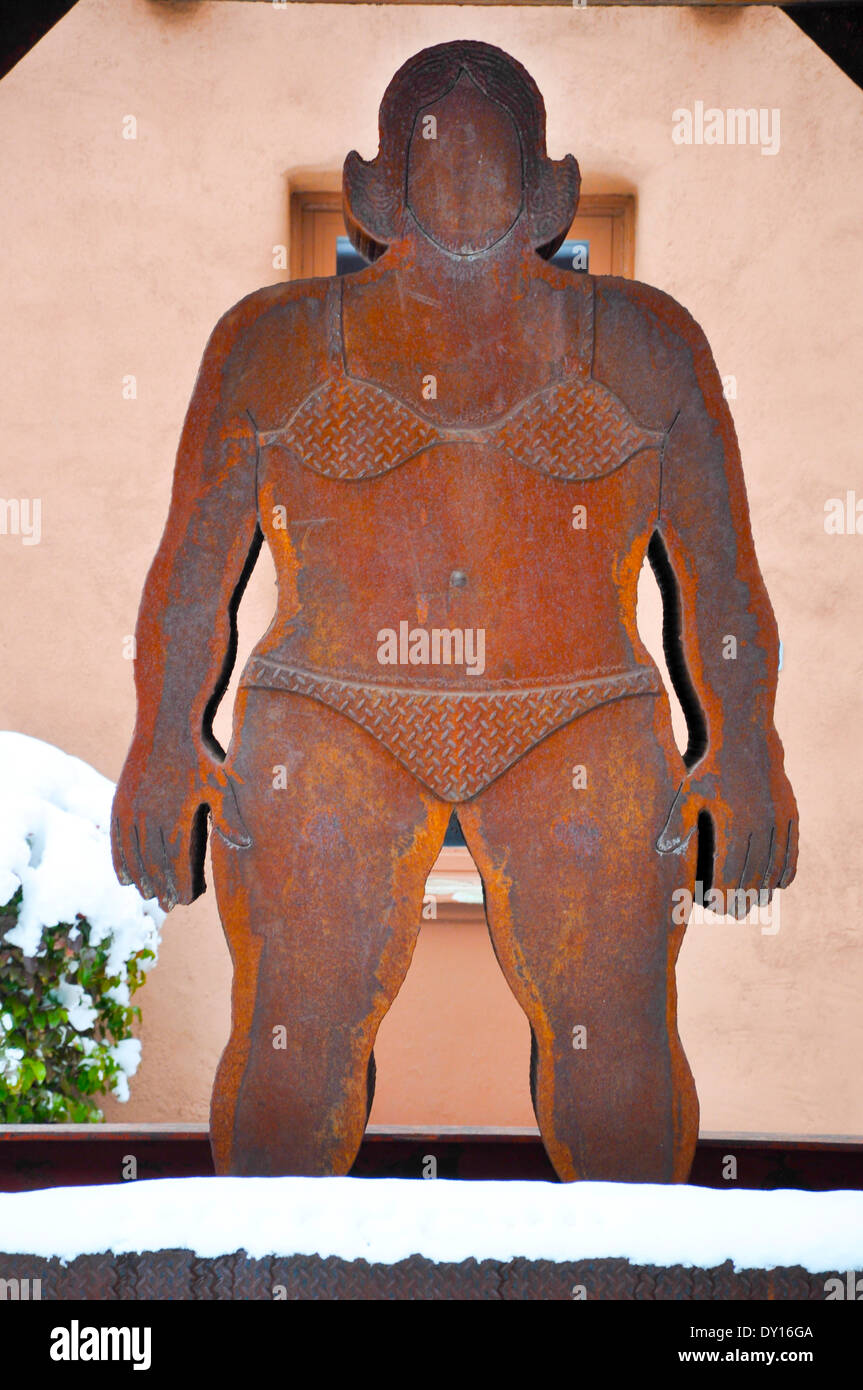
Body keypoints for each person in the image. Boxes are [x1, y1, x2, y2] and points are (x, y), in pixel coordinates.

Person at [112, 40, 798, 1182]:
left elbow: (719, 579)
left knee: (615, 1048)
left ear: (549, 189)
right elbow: (193, 568)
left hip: (575, 715)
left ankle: (647, 1294)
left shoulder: (641, 342)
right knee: (298, 1036)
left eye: (494, 154)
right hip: (335, 714)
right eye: (437, 150)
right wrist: (162, 740)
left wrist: (743, 751)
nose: (464, 174)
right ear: (376, 190)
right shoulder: (274, 344)